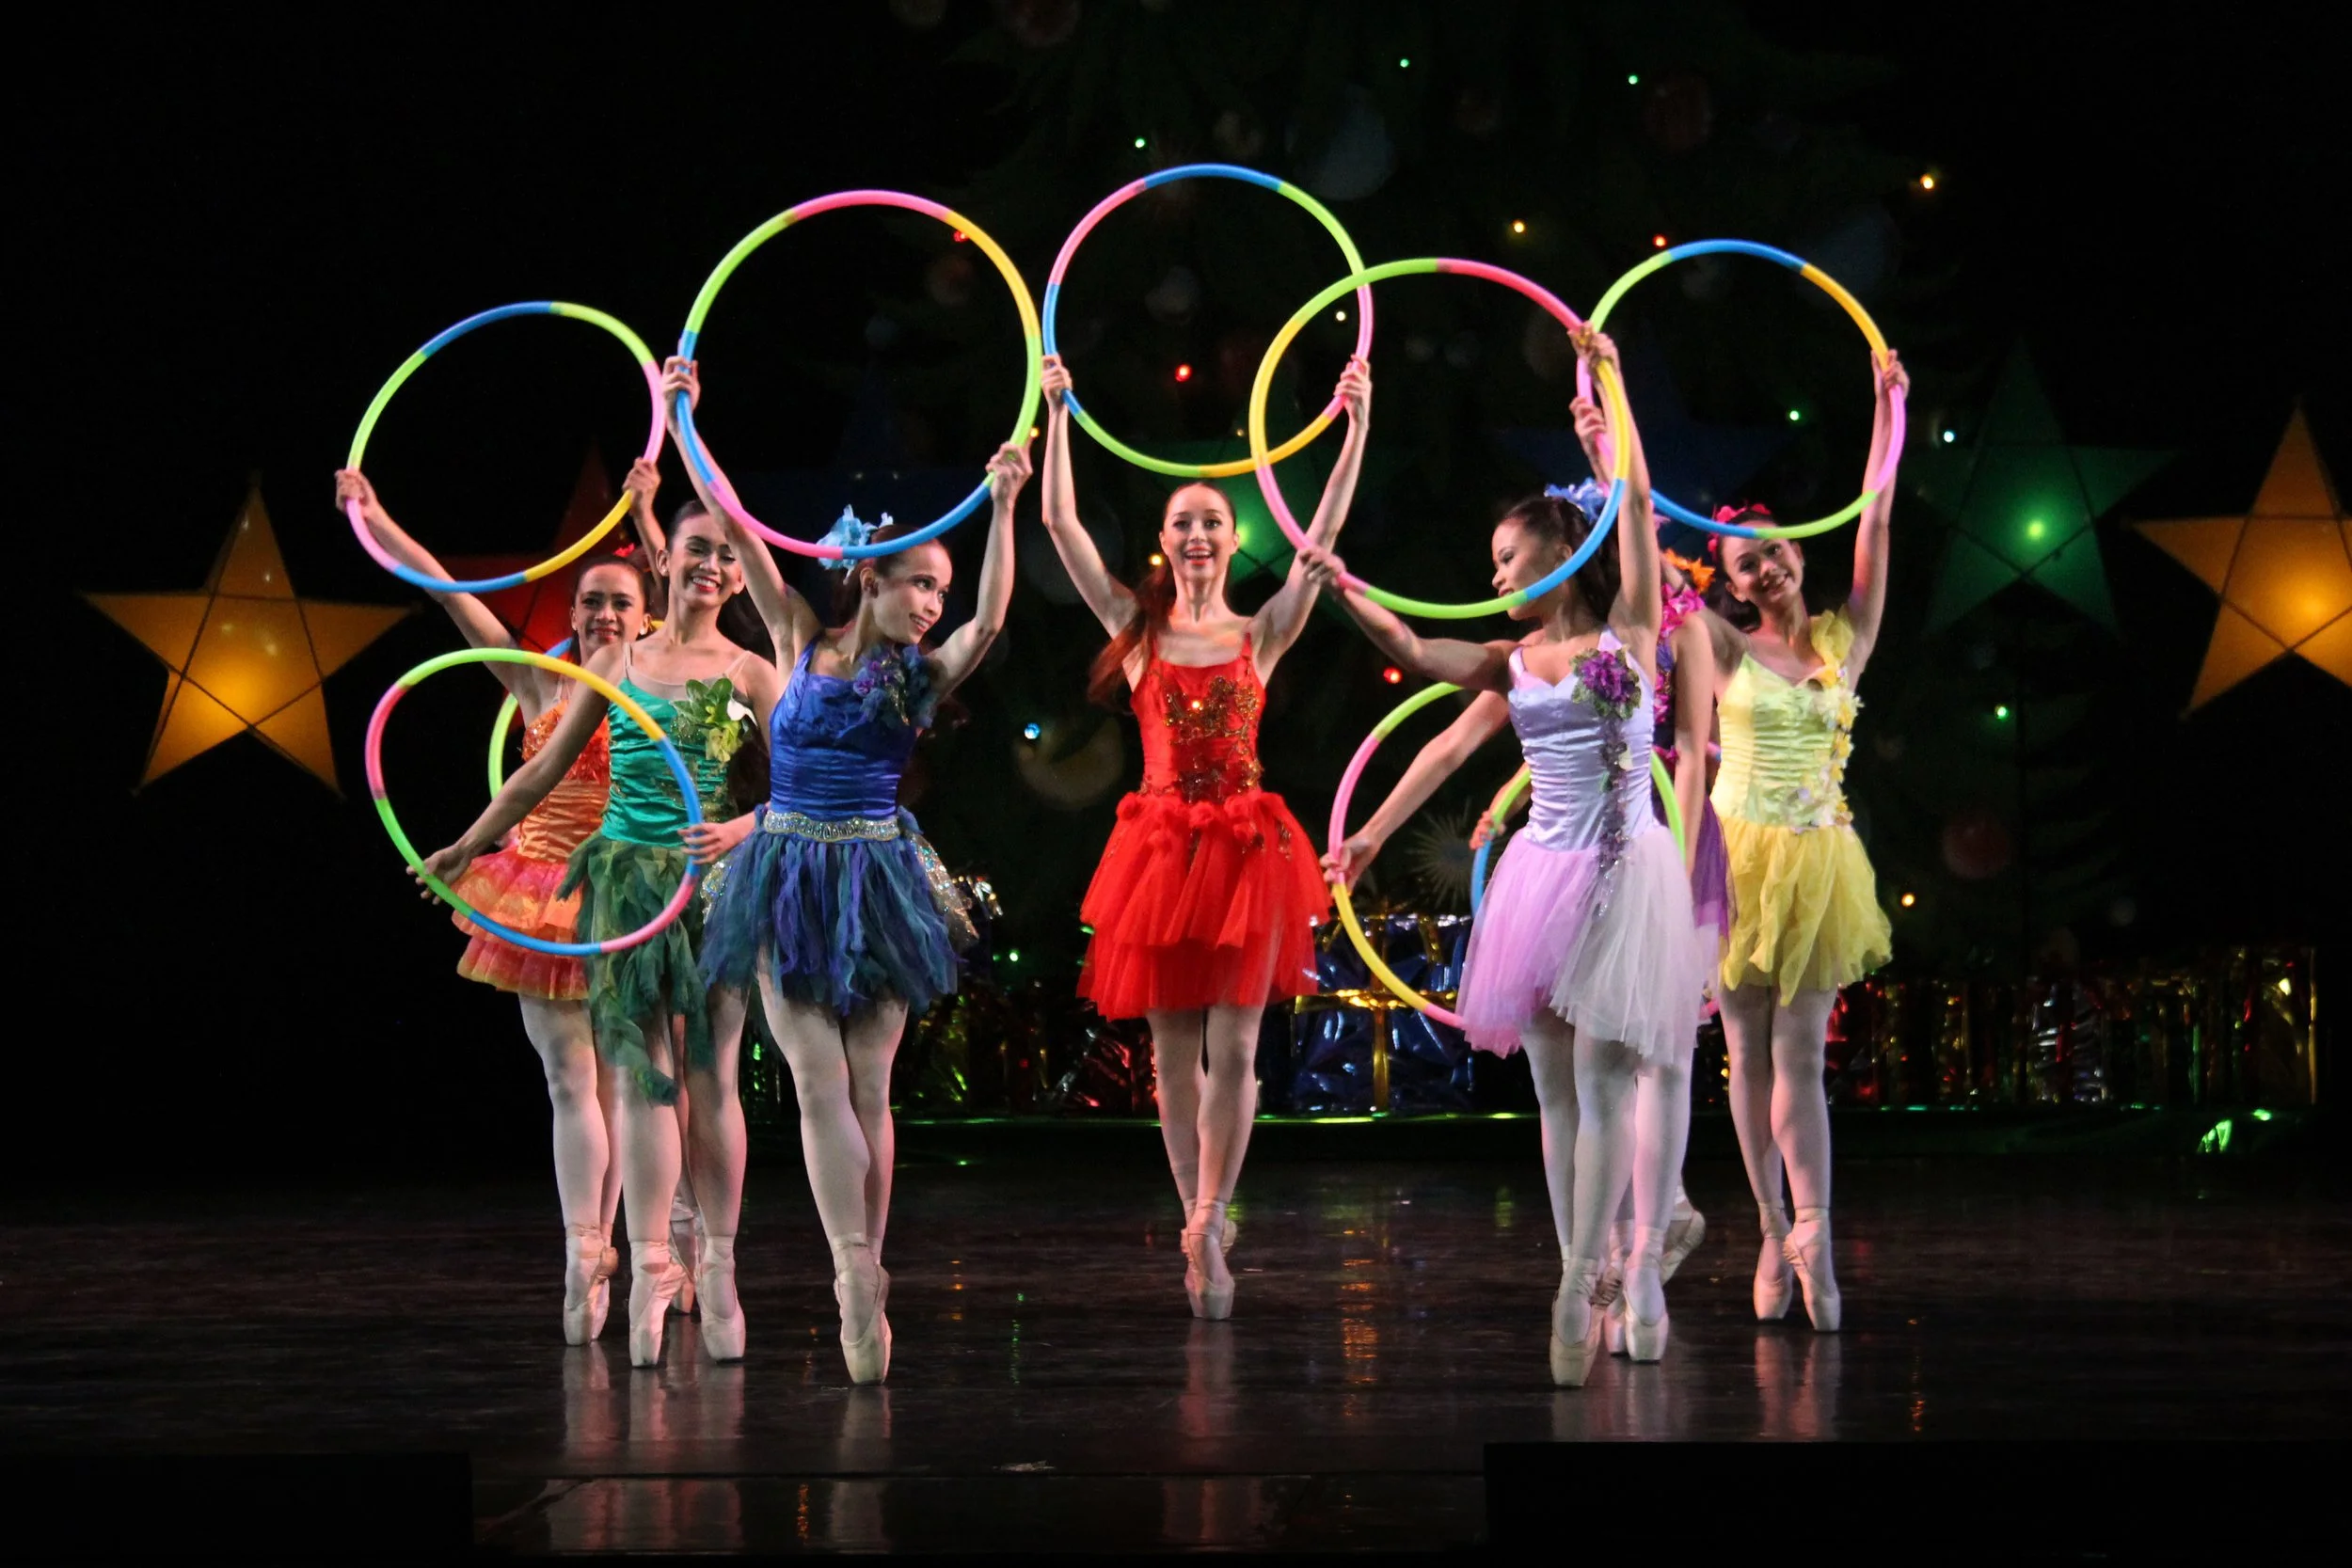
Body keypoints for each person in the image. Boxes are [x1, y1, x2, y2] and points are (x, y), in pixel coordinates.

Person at [1313, 330, 1705, 1384]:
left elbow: (1637, 507)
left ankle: (1612, 1275)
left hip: (1625, 878)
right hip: (1540, 874)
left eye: (1508, 563)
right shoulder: (1510, 658)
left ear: (1560, 559)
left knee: (1605, 1080)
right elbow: (1420, 680)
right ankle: (1587, 1267)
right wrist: (1337, 584)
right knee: (1555, 1092)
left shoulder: (1628, 626)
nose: (1493, 579)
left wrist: (1612, 394)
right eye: (1490, 566)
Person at [670, 356, 1032, 1382]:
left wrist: (1005, 505)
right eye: (918, 580)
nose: (930, 602)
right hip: (786, 871)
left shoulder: (916, 673)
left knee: (869, 1087)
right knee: (816, 1079)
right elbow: (738, 522)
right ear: (868, 576)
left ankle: (865, 1274)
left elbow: (992, 621)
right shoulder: (794, 634)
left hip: (875, 875)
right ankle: (851, 1276)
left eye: (939, 589)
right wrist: (682, 414)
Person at [1037, 350, 1371, 1319]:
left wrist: (1350, 425)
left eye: (1212, 521)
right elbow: (1059, 522)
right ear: (1162, 538)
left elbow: (1330, 528)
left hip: (1243, 856)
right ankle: (1194, 1218)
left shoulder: (1260, 632)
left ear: (1233, 539)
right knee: (1171, 1056)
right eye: (1182, 519)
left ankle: (1215, 1212)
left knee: (1239, 1046)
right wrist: (1059, 410)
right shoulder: (1136, 635)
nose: (1195, 533)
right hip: (1155, 854)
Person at [420, 496, 763, 1369]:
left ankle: (714, 1266)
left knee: (710, 1077)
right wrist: (464, 844)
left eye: (726, 554)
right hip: (627, 888)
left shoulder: (755, 671)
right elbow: (539, 769)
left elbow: (807, 782)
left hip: (712, 886)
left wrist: (743, 827)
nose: (711, 566)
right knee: (644, 1076)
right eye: (695, 550)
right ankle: (647, 1264)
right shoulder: (616, 663)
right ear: (668, 561)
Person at [337, 462, 661, 1346]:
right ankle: (581, 1254)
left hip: (623, 892)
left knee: (621, 1081)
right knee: (567, 1079)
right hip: (535, 892)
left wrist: (648, 503)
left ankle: (620, 1254)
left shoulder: (655, 687)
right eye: (590, 601)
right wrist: (376, 511)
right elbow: (449, 592)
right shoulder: (537, 685)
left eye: (619, 604)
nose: (600, 615)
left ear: (644, 618)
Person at [1699, 351, 1909, 1333]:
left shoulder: (1841, 638)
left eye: (1776, 550)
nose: (1768, 565)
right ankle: (1768, 1226)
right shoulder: (1722, 643)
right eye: (1747, 561)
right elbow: (1632, 552)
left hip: (1819, 858)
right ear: (1730, 582)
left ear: (1796, 554)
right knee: (1745, 1055)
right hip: (1739, 858)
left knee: (1800, 1056)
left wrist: (1885, 408)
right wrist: (1599, 436)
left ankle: (1816, 1238)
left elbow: (1873, 514)